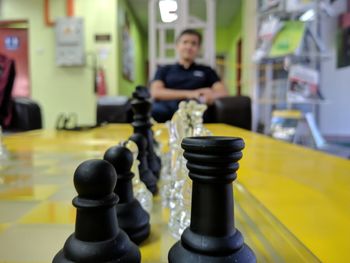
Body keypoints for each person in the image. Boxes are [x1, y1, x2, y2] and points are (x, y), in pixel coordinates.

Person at [150, 29, 228, 122]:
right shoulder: (164, 69)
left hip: (196, 110)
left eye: (193, 43)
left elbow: (222, 92)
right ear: (177, 46)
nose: (189, 46)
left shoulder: (207, 71)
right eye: (185, 42)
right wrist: (192, 93)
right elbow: (156, 92)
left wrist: (210, 95)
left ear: (198, 48)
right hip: (165, 110)